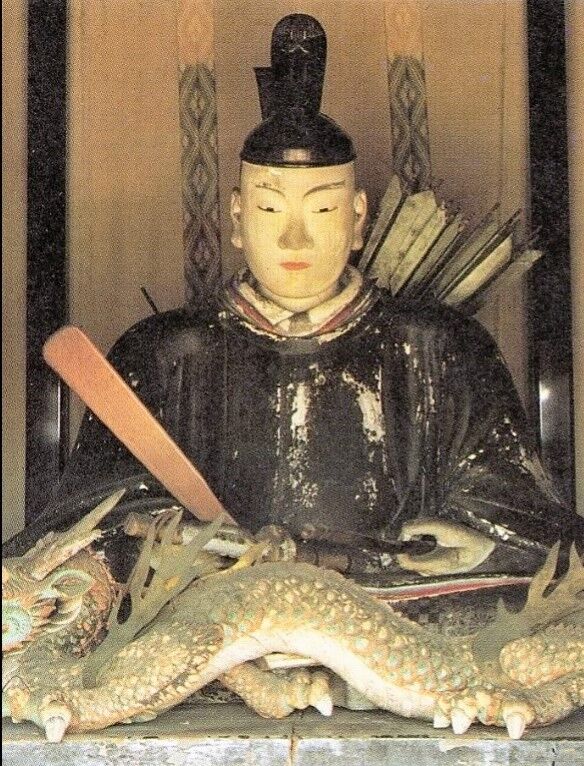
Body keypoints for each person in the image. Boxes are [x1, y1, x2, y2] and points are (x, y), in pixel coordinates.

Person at [8, 14, 581, 580]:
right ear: (237, 217)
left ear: (358, 218)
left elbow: (526, 519)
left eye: (324, 207)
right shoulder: (162, 352)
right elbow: (84, 527)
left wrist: (482, 547)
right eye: (269, 207)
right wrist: (163, 545)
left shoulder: (442, 347)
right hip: (214, 619)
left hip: (392, 616)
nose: (294, 238)